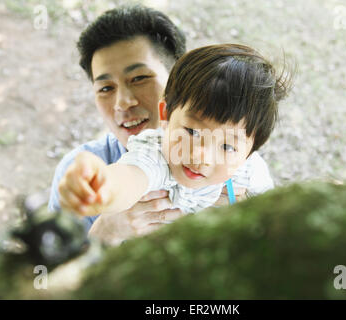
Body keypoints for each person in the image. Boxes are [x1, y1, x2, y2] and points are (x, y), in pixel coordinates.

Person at [48, 6, 254, 245]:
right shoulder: (81, 176)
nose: (123, 102)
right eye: (105, 88)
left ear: (178, 80)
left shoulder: (236, 167)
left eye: (139, 79)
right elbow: (47, 278)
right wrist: (103, 235)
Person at [58, 44, 291, 218]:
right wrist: (102, 187)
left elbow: (273, 214)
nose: (201, 156)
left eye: (227, 146)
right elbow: (130, 178)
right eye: (191, 132)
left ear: (249, 153)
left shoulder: (249, 173)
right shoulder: (157, 155)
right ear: (165, 115)